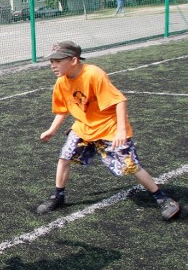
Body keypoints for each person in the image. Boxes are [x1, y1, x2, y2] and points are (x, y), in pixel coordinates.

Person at [37, 41, 180, 221]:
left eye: (57, 61)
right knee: (65, 157)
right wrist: (51, 130)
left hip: (108, 127)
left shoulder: (94, 74)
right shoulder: (61, 82)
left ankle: (163, 198)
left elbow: (119, 101)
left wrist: (121, 131)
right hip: (84, 127)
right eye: (51, 62)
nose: (53, 65)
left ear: (73, 60)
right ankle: (58, 196)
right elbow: (63, 109)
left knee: (130, 165)